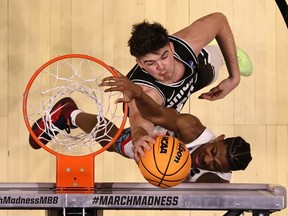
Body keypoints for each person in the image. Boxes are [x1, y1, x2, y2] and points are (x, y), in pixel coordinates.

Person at [29, 75, 252, 183]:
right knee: (121, 144)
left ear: (223, 170)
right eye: (212, 152)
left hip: (165, 156)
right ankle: (69, 113)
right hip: (162, 126)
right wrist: (137, 94)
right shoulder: (192, 128)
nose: (207, 161)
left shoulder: (218, 183)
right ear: (218, 138)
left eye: (215, 165)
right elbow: (155, 114)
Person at [124, 12, 253, 161]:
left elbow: (220, 20)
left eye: (164, 56)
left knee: (215, 61)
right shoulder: (145, 91)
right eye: (150, 63)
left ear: (171, 47)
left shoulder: (186, 43)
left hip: (196, 74)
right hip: (164, 108)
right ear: (139, 63)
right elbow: (138, 120)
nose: (161, 67)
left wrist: (234, 77)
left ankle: (220, 52)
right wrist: (140, 138)